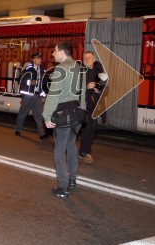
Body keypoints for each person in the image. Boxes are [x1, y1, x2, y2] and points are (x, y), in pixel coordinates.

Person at [42, 42, 85, 198]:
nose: (53, 54)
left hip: (63, 114)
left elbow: (53, 94)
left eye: (54, 51)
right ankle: (72, 180)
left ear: (61, 52)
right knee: (71, 144)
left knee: (59, 148)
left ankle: (62, 186)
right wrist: (82, 112)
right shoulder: (79, 68)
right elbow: (83, 92)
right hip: (77, 113)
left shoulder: (61, 69)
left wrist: (46, 116)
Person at [79, 51, 108, 164]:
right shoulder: (80, 71)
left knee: (90, 129)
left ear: (94, 59)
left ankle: (84, 152)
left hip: (92, 105)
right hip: (80, 104)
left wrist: (98, 87)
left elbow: (104, 82)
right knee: (74, 127)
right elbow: (74, 87)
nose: (86, 59)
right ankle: (64, 146)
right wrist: (86, 86)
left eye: (89, 58)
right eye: (84, 57)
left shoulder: (98, 69)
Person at [14, 52, 48, 139]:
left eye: (40, 58)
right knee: (23, 113)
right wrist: (30, 82)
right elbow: (20, 80)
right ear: (33, 60)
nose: (40, 60)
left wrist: (44, 96)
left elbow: (44, 85)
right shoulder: (28, 69)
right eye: (38, 58)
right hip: (28, 95)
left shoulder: (43, 70)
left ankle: (42, 134)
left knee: (39, 115)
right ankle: (18, 129)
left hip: (38, 96)